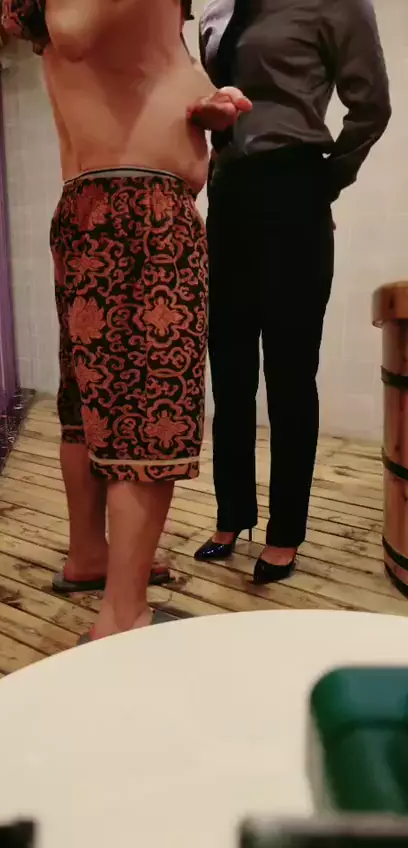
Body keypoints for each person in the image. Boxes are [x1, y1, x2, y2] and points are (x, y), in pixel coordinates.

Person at [1, 0, 251, 639]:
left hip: (98, 205)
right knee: (150, 417)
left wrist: (207, 101)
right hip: (142, 215)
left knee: (89, 405)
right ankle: (122, 614)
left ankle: (89, 555)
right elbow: (75, 30)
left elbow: (123, 58)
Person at [195, 0, 392, 583]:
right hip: (228, 193)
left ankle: (285, 532)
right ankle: (232, 514)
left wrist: (321, 183)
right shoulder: (217, 11)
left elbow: (372, 106)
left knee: (289, 371)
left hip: (293, 183)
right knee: (229, 368)